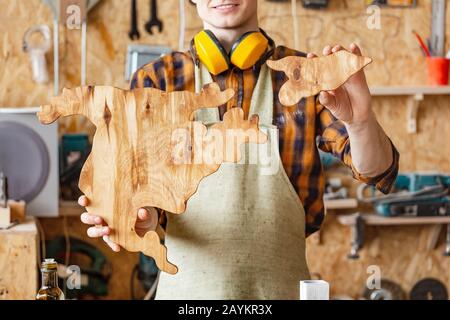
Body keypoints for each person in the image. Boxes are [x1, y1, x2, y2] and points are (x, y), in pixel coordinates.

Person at [79, 0, 399, 299]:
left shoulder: (303, 77)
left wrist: (360, 121)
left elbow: (378, 171)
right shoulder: (156, 82)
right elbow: (142, 203)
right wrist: (139, 223)